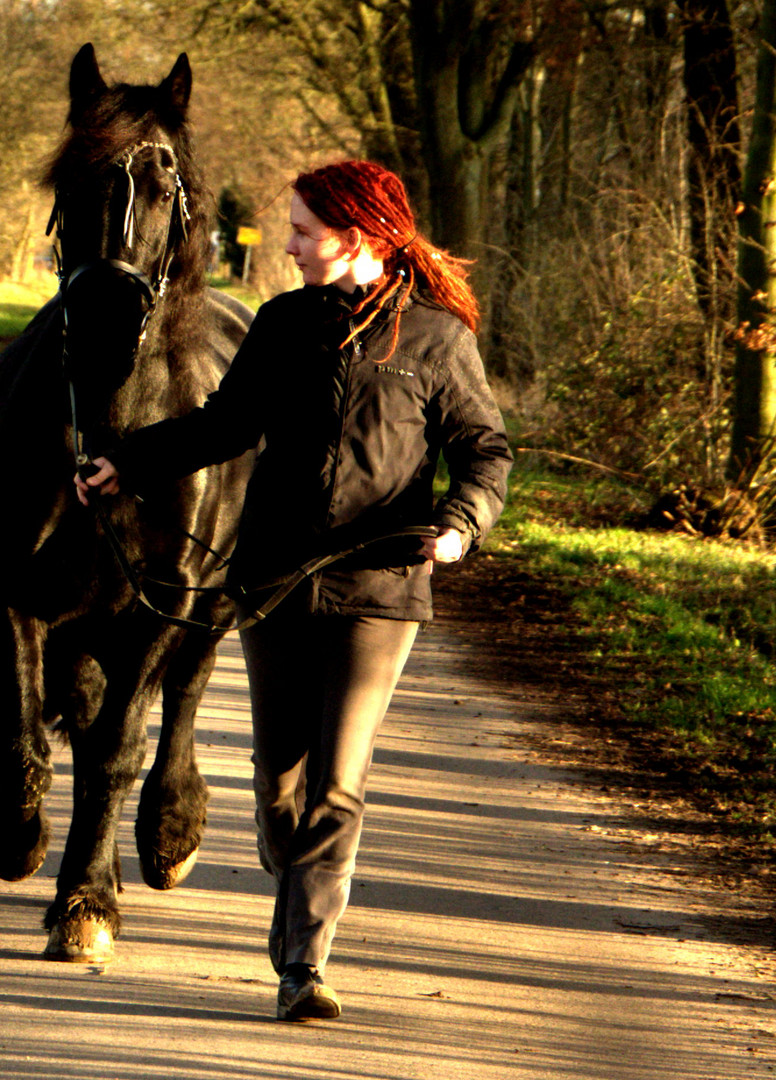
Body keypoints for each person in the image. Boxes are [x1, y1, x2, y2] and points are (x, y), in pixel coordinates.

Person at [73, 160, 512, 1021]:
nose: (288, 243)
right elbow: (222, 426)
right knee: (280, 793)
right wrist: (126, 462)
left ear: (356, 236)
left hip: (381, 586)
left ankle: (302, 969)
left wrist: (460, 521)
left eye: (303, 231)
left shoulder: (434, 339)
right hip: (274, 582)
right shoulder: (281, 325)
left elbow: (485, 450)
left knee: (335, 789)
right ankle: (297, 877)